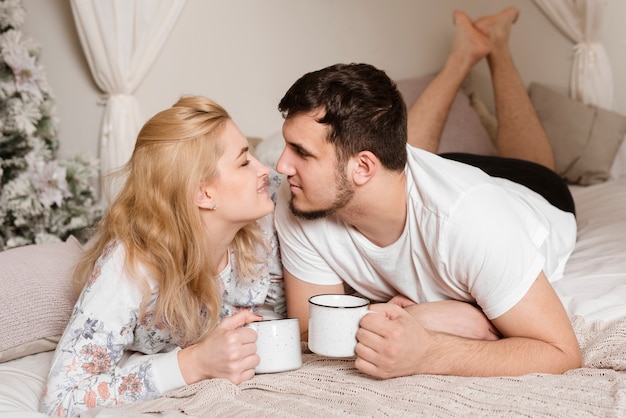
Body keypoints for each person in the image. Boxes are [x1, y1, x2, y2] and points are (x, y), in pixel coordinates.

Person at [273, 7, 582, 379]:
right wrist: (418, 316)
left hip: (531, 193)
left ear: (363, 168)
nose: (280, 166)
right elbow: (311, 329)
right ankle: (463, 54)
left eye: (302, 153)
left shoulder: (475, 220)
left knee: (536, 164)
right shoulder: (301, 198)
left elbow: (562, 352)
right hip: (432, 171)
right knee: (402, 150)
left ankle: (497, 48)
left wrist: (429, 352)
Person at [40, 96, 285, 416]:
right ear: (203, 193)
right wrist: (193, 363)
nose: (264, 169)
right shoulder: (130, 266)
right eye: (243, 161)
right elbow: (61, 398)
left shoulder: (263, 222)